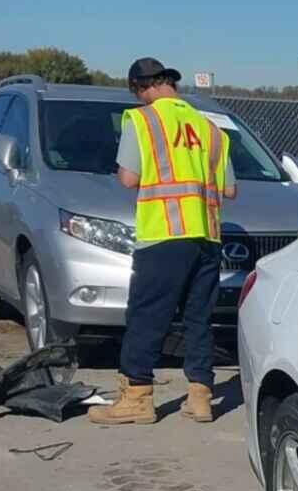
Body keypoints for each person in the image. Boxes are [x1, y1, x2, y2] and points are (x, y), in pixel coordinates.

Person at [90, 58, 236, 426]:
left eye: (138, 95)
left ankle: (137, 397)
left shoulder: (142, 121)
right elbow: (230, 189)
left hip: (164, 236)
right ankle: (201, 396)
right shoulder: (210, 128)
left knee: (146, 316)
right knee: (198, 318)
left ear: (143, 87)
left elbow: (128, 178)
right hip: (207, 237)